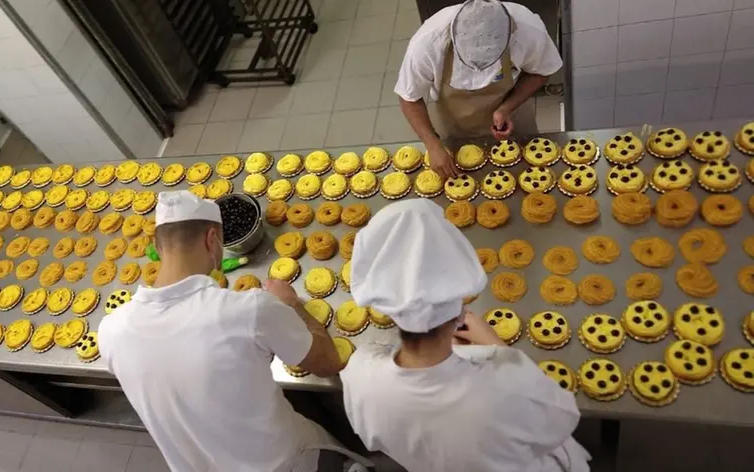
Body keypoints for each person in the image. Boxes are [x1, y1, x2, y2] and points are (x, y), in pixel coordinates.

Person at [98, 191, 370, 472]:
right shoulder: (248, 310)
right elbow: (327, 362)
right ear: (212, 240)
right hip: (284, 464)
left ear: (157, 244)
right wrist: (290, 305)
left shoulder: (111, 331)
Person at [339, 199, 591, 471]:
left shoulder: (359, 374)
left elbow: (375, 438)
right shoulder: (510, 382)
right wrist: (497, 349)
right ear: (460, 303)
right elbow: (560, 424)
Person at [396, 0, 563, 179]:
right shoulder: (428, 43)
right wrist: (432, 144)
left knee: (529, 174)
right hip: (454, 123)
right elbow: (408, 98)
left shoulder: (528, 30)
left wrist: (507, 107)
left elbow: (541, 72)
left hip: (514, 112)